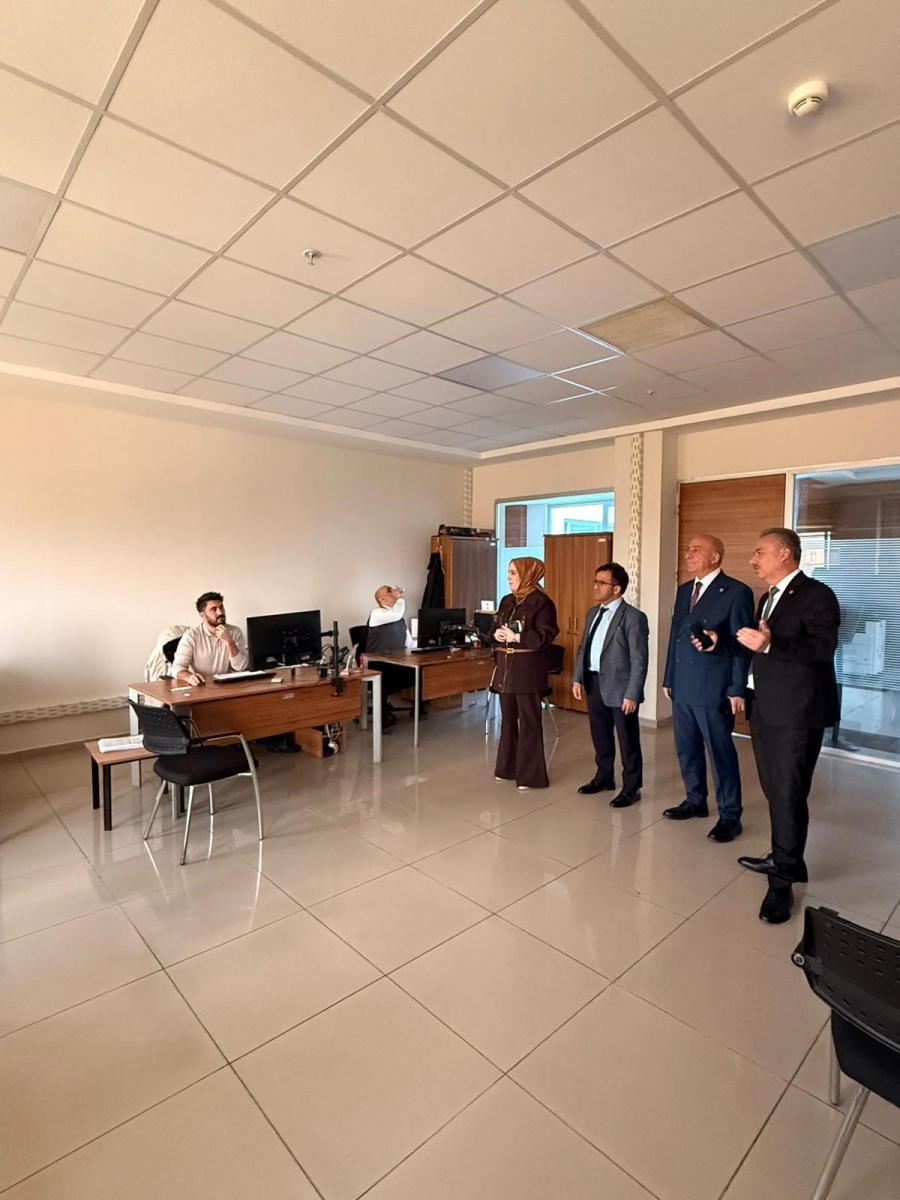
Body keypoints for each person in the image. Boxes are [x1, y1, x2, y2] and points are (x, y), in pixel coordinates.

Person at [736, 528, 840, 925]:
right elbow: (761, 648)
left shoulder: (818, 595)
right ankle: (787, 857)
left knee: (788, 793)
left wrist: (770, 645)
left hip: (797, 713)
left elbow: (822, 648)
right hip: (766, 707)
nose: (753, 559)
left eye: (759, 552)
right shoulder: (768, 597)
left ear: (784, 553)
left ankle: (783, 879)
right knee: (775, 790)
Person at [662, 534, 754, 842]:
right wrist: (668, 677)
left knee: (720, 751)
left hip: (713, 686)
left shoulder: (736, 591)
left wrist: (737, 687)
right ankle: (695, 800)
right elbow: (676, 636)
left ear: (715, 557)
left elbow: (742, 644)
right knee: (686, 747)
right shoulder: (684, 590)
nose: (688, 554)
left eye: (696, 550)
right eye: (687, 549)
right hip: (683, 684)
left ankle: (730, 814)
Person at [572, 562, 649, 808]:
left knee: (628, 740)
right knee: (600, 734)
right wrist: (577, 677)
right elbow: (583, 648)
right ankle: (604, 777)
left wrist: (633, 693)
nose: (596, 586)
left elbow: (639, 659)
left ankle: (632, 787)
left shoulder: (633, 618)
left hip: (621, 688)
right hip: (594, 682)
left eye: (601, 582)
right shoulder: (592, 613)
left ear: (617, 589)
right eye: (595, 581)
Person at [491, 557, 559, 790]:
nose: (508, 577)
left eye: (513, 573)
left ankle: (530, 776)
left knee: (529, 722)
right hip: (506, 669)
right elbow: (495, 625)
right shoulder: (507, 600)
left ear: (528, 574)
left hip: (528, 670)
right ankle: (507, 768)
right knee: (508, 720)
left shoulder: (543, 603)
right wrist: (497, 634)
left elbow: (547, 634)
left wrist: (518, 637)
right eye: (508, 572)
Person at [172, 592, 248, 685]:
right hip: (202, 686)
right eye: (214, 609)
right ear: (202, 615)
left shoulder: (235, 631)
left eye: (221, 607)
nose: (220, 612)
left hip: (227, 686)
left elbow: (240, 667)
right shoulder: (191, 636)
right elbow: (177, 668)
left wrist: (229, 642)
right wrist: (188, 677)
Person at [365, 585, 415, 728]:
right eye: (389, 590)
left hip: (396, 662)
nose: (393, 590)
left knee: (421, 673)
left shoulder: (400, 619)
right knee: (385, 676)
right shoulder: (376, 613)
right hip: (377, 664)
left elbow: (409, 642)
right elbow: (396, 614)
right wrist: (399, 598)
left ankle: (419, 708)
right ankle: (382, 717)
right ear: (382, 599)